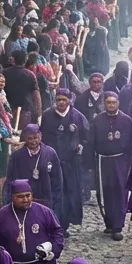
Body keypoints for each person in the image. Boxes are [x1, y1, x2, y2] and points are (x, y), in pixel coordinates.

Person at [39, 88, 86, 229]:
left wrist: (80, 147)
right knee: (55, 193)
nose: (61, 102)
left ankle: (64, 224)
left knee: (69, 193)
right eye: (58, 99)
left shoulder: (77, 117)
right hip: (52, 163)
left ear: (69, 101)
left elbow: (86, 137)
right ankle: (53, 222)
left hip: (71, 163)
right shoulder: (47, 116)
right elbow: (43, 137)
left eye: (64, 100)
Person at [90, 92, 132, 240]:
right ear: (104, 103)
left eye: (114, 102)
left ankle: (118, 226)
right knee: (104, 192)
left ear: (118, 103)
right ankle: (109, 222)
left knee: (120, 191)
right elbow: (92, 142)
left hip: (120, 160)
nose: (111, 105)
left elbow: (131, 143)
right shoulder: (97, 120)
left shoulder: (126, 120)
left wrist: (130, 164)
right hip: (103, 160)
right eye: (108, 102)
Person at [4, 125, 64, 222]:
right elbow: (10, 179)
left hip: (45, 199)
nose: (33, 141)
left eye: (35, 138)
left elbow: (57, 179)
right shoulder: (16, 156)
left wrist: (55, 197)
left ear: (40, 136)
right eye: (29, 138)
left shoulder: (50, 153)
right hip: (24, 200)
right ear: (25, 138)